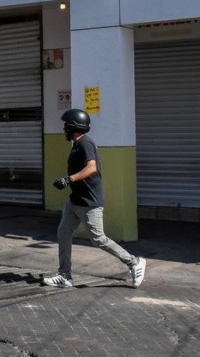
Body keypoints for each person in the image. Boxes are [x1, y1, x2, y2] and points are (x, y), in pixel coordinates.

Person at [43, 108, 146, 289]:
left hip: (89, 204)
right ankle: (65, 275)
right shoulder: (76, 145)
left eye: (65, 125)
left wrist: (69, 179)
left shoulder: (85, 144)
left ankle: (134, 262)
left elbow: (92, 168)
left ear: (72, 126)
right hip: (75, 201)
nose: (63, 129)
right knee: (63, 232)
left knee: (99, 239)